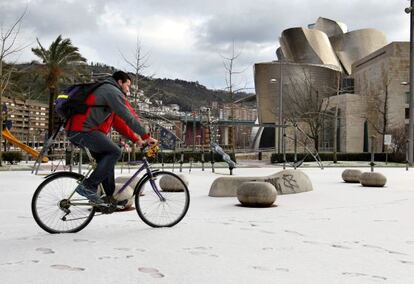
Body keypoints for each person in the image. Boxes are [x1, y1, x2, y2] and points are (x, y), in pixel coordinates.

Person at [67, 71, 157, 204]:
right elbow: (128, 117)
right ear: (120, 82)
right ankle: (88, 186)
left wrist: (137, 139)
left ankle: (109, 199)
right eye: (128, 85)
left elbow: (119, 123)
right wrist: (146, 136)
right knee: (115, 151)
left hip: (82, 130)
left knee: (107, 162)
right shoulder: (111, 91)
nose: (128, 89)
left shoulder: (107, 92)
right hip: (82, 131)